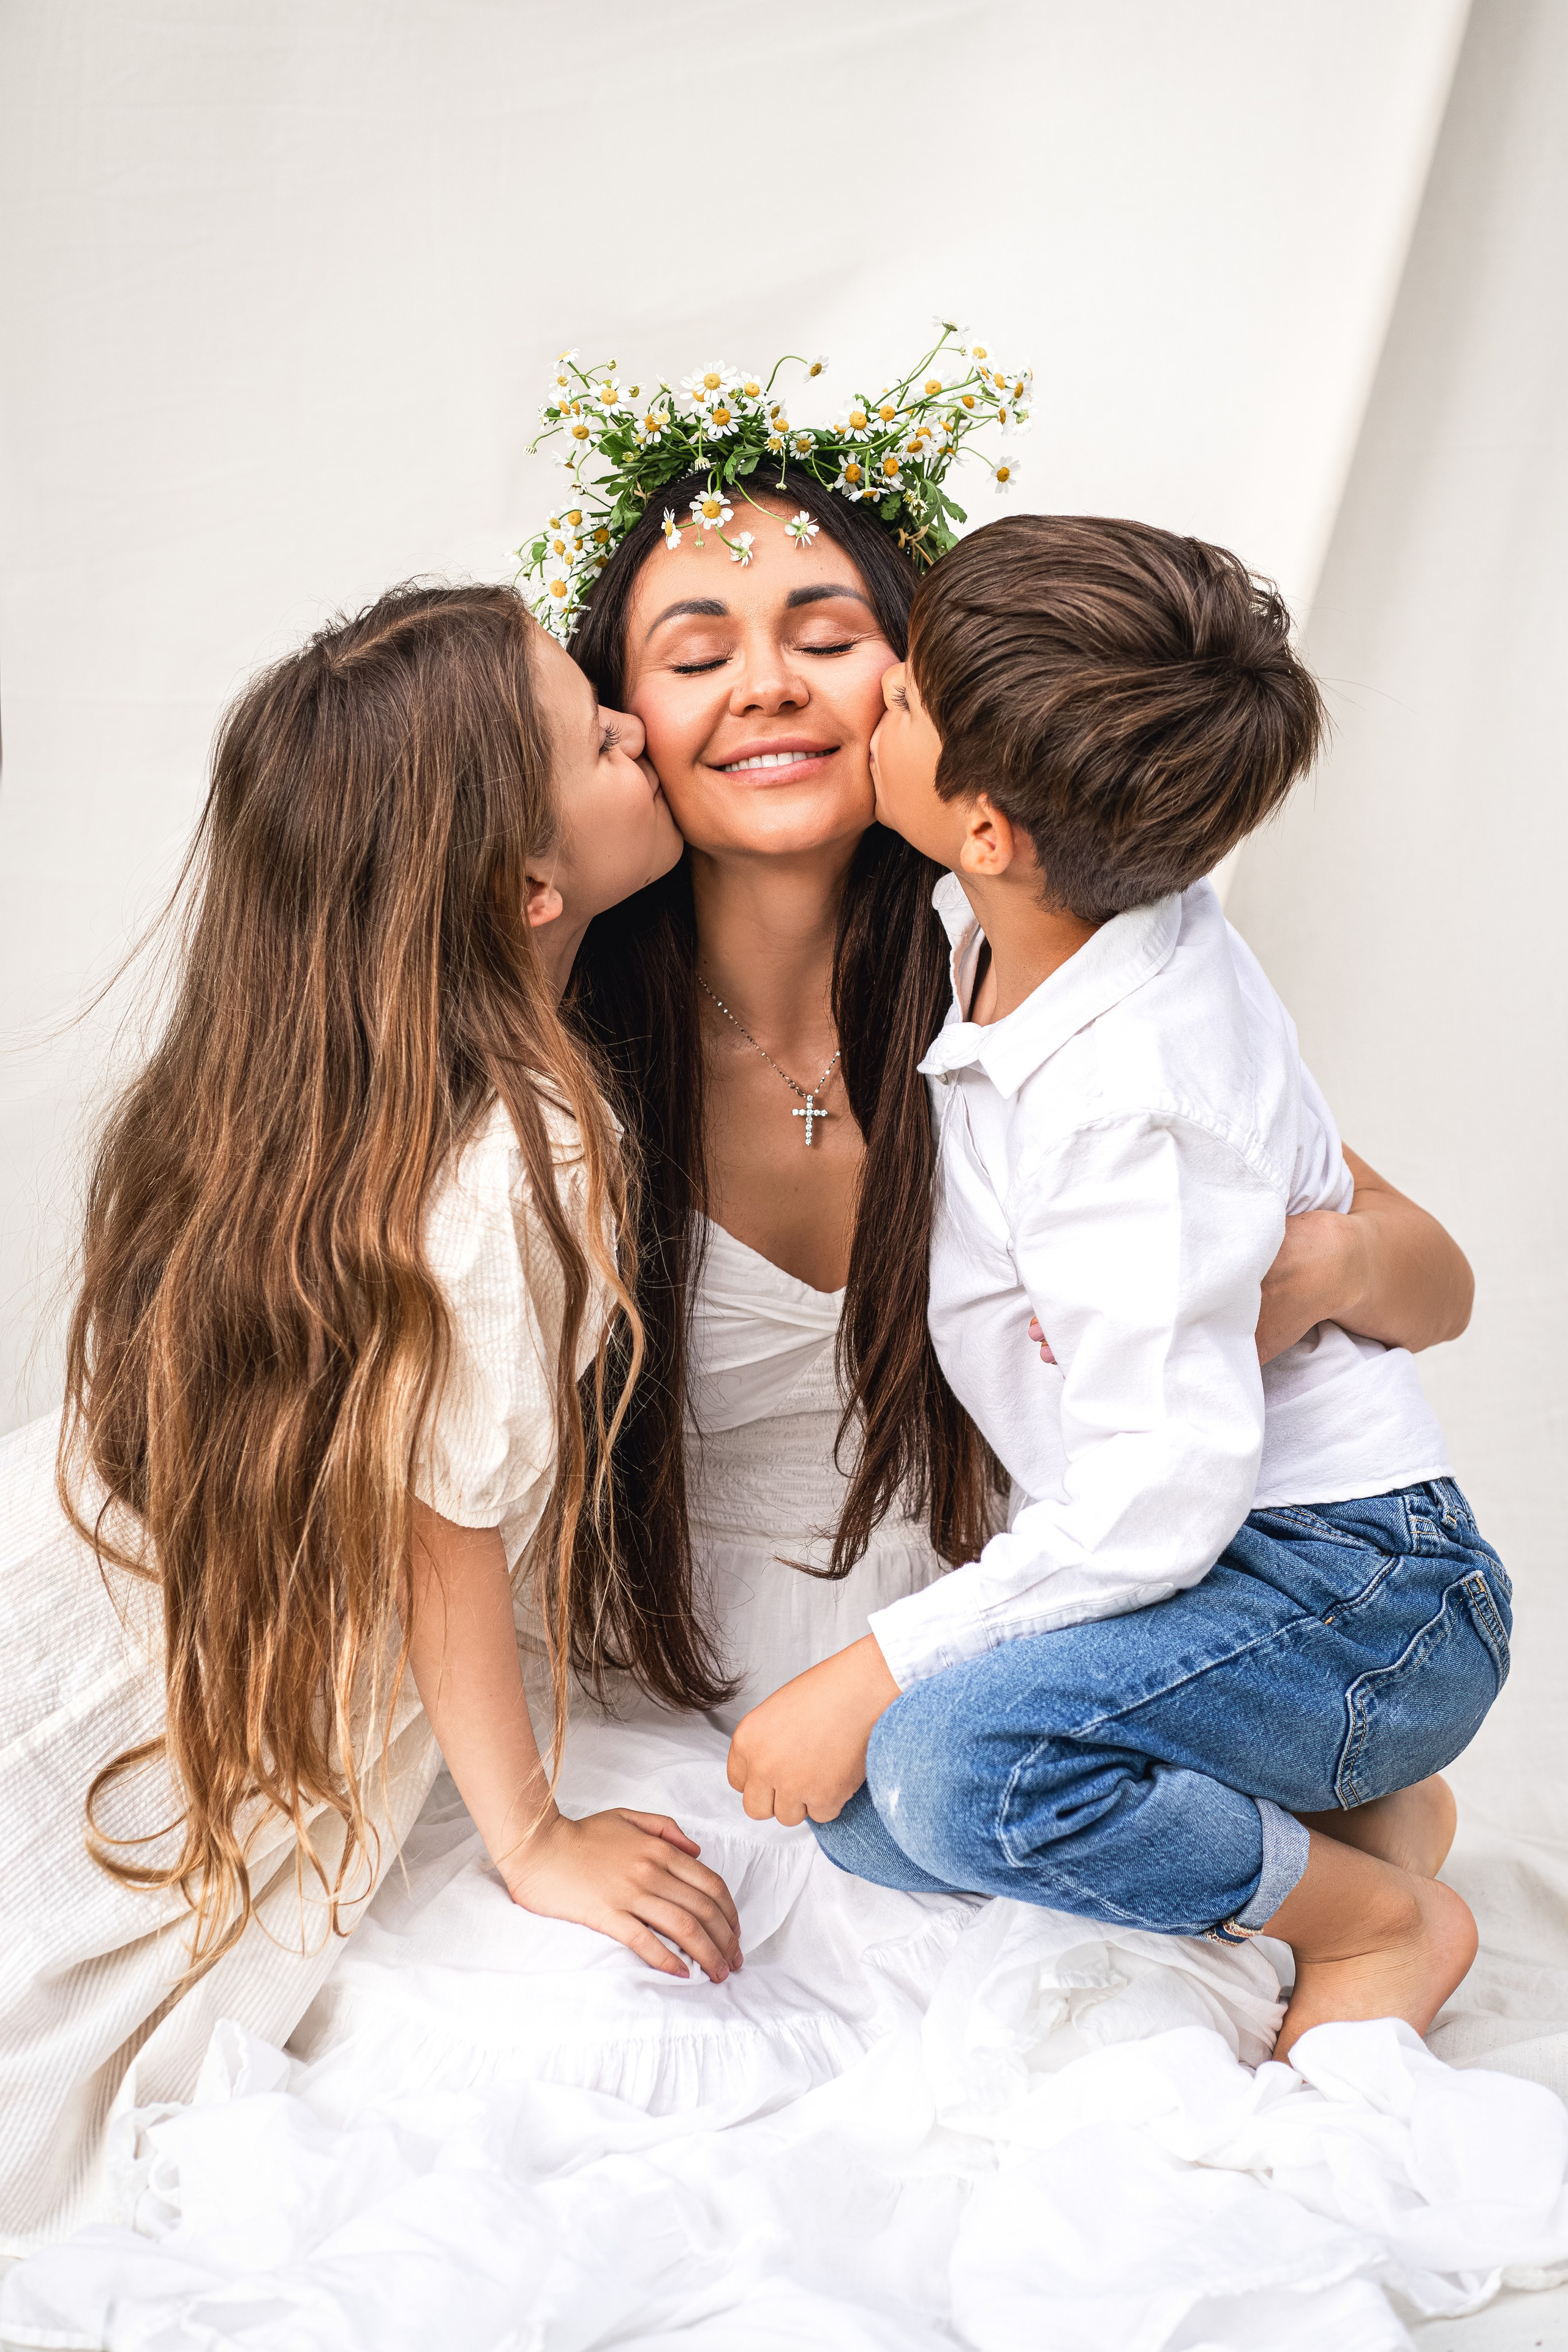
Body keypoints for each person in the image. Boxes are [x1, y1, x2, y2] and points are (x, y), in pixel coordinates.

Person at [0, 580, 742, 2250]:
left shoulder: (336, 1097)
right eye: (603, 730)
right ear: (526, 884)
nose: (639, 723)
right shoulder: (520, 1161)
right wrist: (531, 1835)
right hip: (131, 1660)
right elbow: (438, 1526)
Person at [723, 515, 1509, 2061]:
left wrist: (870, 1666)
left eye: (901, 704)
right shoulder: (1033, 918)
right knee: (873, 1819)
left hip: (1346, 1587)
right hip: (1236, 1564)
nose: (871, 687)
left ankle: (1374, 1919)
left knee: (950, 1768)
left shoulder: (1127, 1103)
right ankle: (1358, 1821)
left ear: (992, 830)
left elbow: (1158, 1502)